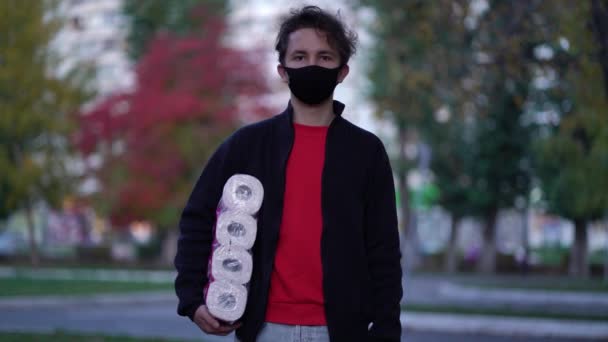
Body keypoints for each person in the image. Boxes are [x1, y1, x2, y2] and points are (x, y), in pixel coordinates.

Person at [174, 5, 403, 342]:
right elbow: (198, 218)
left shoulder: (366, 152)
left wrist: (386, 329)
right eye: (300, 57)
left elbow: (383, 249)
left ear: (342, 71)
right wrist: (192, 300)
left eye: (324, 57)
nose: (312, 65)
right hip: (263, 328)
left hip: (342, 331)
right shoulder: (246, 146)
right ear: (283, 70)